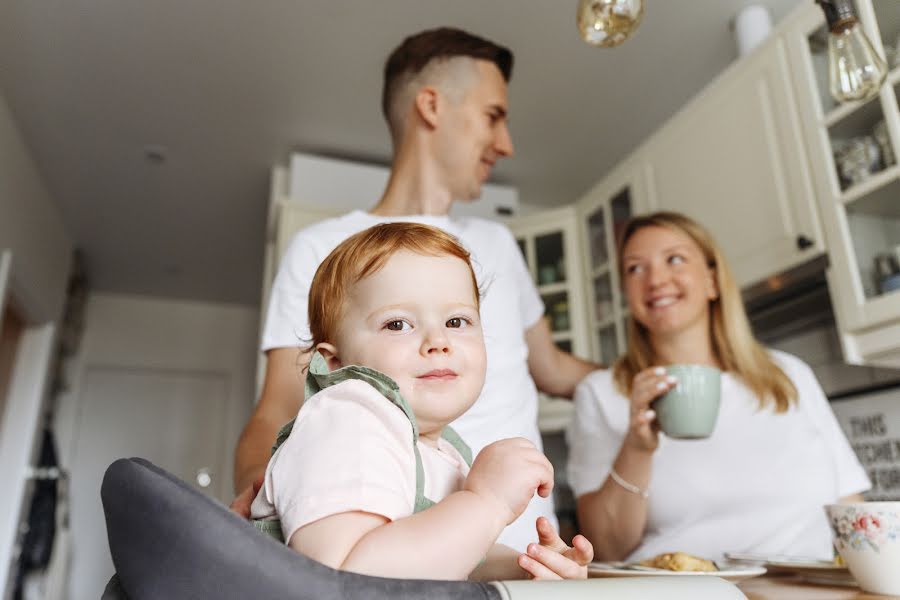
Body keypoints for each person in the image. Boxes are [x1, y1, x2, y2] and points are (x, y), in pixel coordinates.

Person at [233, 26, 600, 551]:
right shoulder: (325, 250)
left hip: (522, 553)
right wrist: (259, 492)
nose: (507, 144)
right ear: (431, 106)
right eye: (494, 116)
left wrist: (636, 376)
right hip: (387, 552)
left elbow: (555, 369)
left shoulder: (497, 245)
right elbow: (277, 408)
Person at [249, 222, 593, 580]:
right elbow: (347, 578)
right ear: (336, 363)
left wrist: (530, 567)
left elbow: (448, 559)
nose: (439, 341)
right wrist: (486, 503)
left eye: (457, 320)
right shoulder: (348, 417)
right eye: (398, 324)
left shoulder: (441, 450)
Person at [566, 211, 870, 563]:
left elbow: (851, 508)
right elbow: (604, 547)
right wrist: (636, 448)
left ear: (712, 280)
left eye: (674, 259)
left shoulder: (789, 375)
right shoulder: (603, 393)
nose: (655, 279)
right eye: (635, 268)